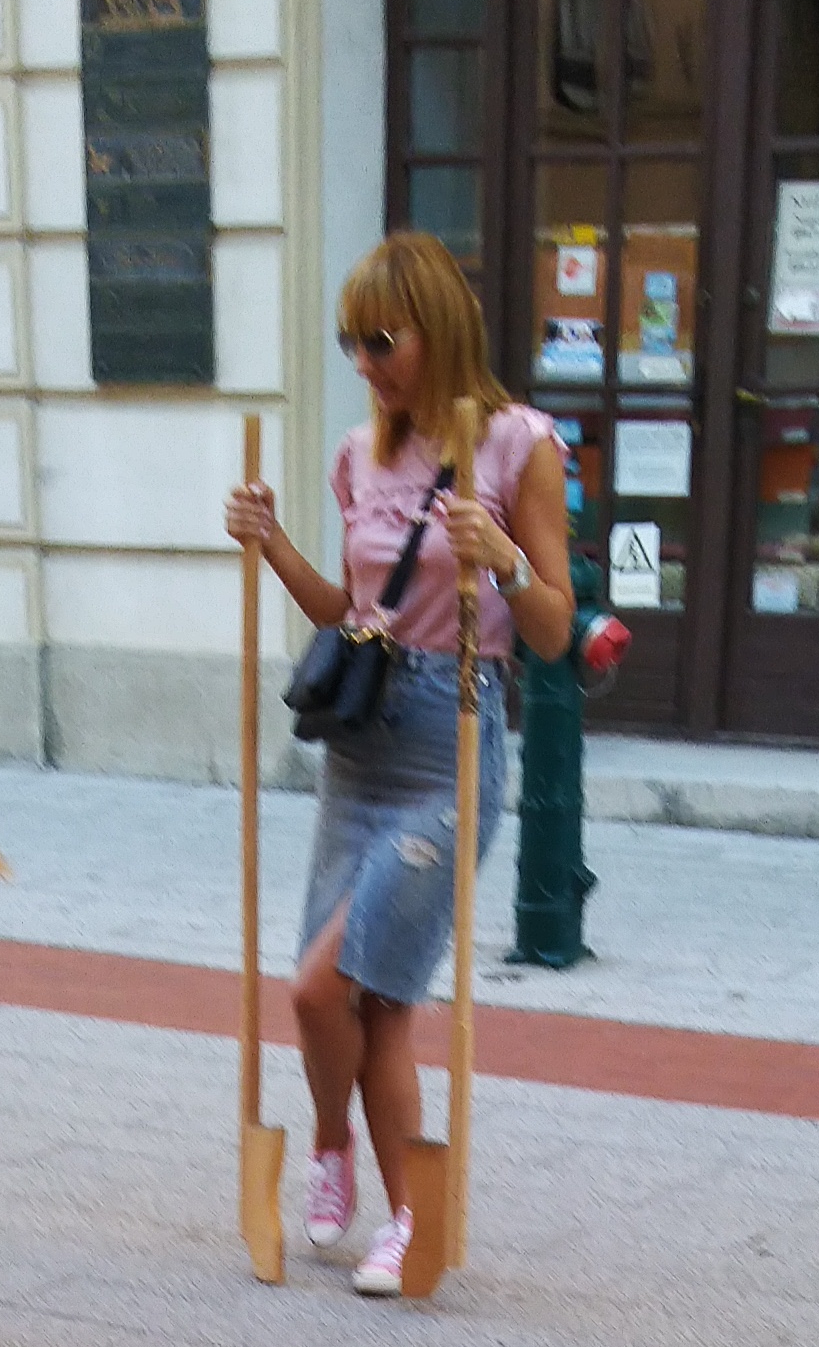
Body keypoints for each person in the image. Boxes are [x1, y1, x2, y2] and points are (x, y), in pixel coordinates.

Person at [225, 231, 574, 1293]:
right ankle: (373, 1188)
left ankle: (379, 1186)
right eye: (353, 344)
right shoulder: (357, 455)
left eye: (382, 341)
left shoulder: (517, 445)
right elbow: (351, 612)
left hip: (450, 743)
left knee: (323, 988)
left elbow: (554, 629)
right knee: (363, 1003)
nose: (365, 364)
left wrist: (504, 560)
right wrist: (273, 544)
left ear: (438, 330)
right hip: (360, 747)